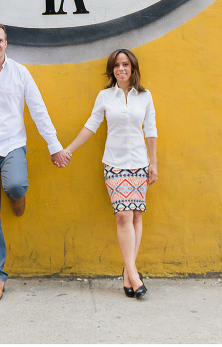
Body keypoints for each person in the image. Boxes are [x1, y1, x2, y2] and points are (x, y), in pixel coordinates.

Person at [0, 22, 70, 302]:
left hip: (12, 147)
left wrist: (54, 146)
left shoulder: (20, 73)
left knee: (17, 186)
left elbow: (38, 111)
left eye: (0, 40)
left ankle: (15, 196)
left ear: (7, 44)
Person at [63, 48, 158, 298]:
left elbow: (150, 130)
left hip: (139, 163)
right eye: (116, 66)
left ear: (133, 67)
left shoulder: (144, 96)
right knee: (123, 217)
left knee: (137, 216)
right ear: (112, 70)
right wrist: (69, 150)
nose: (121, 69)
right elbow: (91, 126)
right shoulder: (105, 96)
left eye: (125, 64)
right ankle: (134, 275)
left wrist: (153, 163)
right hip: (115, 165)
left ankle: (128, 275)